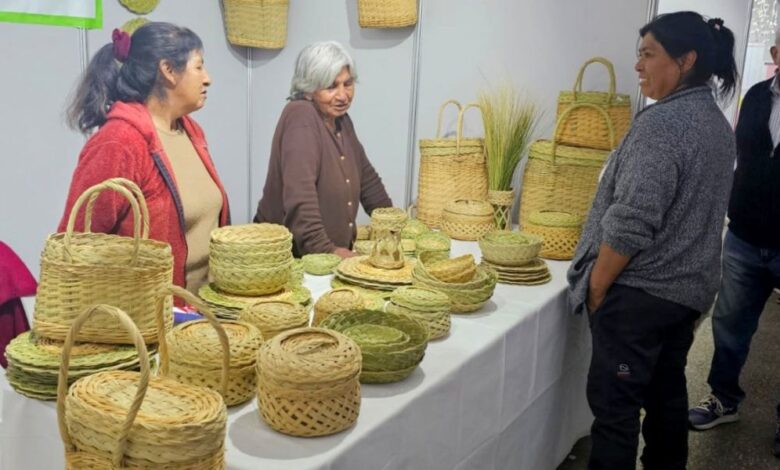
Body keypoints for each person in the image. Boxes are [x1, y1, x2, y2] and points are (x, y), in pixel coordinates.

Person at [566, 11, 738, 470]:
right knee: (666, 400)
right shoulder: (716, 125)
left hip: (641, 298)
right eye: (638, 55)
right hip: (684, 297)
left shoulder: (662, 125)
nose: (638, 66)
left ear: (686, 60)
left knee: (615, 414)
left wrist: (598, 287)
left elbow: (631, 222)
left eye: (648, 54)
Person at [60, 22, 230, 295]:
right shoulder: (119, 141)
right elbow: (75, 244)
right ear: (168, 71)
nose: (207, 78)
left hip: (202, 313)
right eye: (199, 67)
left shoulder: (191, 131)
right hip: (152, 321)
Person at [688, 26, 780, 458]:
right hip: (745, 235)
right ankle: (724, 400)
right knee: (729, 327)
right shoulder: (757, 96)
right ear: (777, 51)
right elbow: (744, 155)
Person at [254, 41, 392, 258]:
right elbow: (301, 200)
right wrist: (329, 251)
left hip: (324, 256)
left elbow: (368, 181)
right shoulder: (301, 117)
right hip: (290, 258)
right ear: (308, 89)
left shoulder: (341, 121)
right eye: (331, 87)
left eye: (348, 84)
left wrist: (392, 224)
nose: (342, 95)